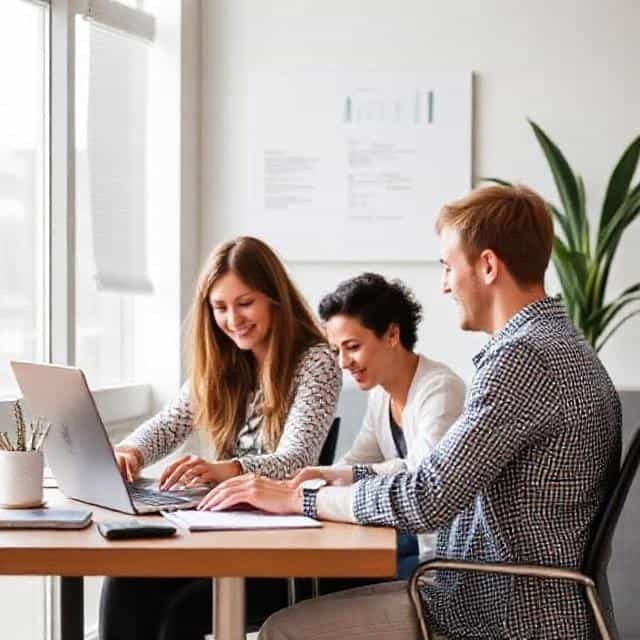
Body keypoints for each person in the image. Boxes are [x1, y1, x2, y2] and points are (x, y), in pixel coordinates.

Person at [201, 185, 622, 640]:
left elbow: (428, 498)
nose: (444, 284)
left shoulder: (522, 359)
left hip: (498, 612)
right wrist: (346, 479)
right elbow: (435, 472)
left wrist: (297, 500)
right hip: (505, 597)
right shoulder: (557, 344)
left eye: (447, 266)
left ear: (486, 265)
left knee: (283, 630)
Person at [99, 236, 342, 640]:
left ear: (274, 298)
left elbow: (296, 459)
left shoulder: (315, 361)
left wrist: (221, 470)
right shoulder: (227, 359)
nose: (233, 319)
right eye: (220, 308)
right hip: (227, 528)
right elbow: (171, 421)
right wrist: (132, 450)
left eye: (245, 303)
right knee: (126, 582)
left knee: (183, 610)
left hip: (284, 544)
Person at [301, 272, 465, 581]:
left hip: (443, 559)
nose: (342, 363)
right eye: (337, 350)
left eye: (352, 347)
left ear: (392, 335)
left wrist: (337, 477)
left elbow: (422, 479)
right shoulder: (381, 394)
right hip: (412, 540)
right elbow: (357, 461)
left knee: (335, 585)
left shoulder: (441, 391)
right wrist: (319, 478)